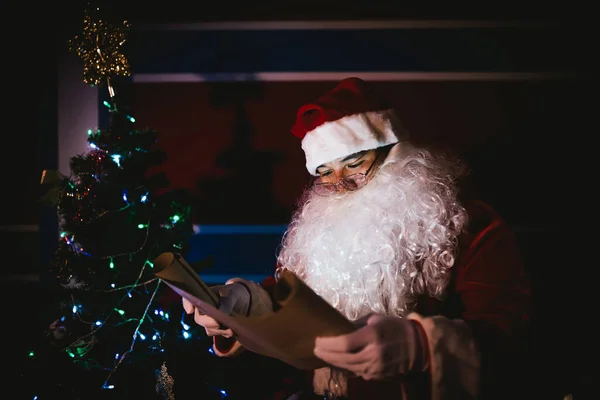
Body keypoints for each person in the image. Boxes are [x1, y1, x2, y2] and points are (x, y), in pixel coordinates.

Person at [182, 77, 533, 399]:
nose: (339, 184)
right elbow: (286, 300)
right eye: (325, 173)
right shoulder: (319, 229)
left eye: (353, 164)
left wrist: (423, 347)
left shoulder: (470, 223)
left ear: (395, 153)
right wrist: (237, 304)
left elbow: (509, 335)